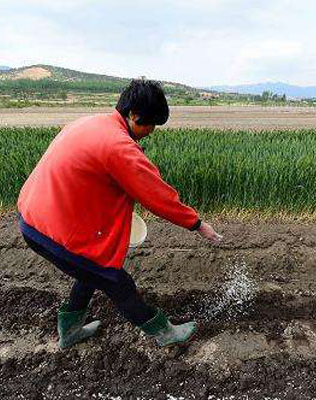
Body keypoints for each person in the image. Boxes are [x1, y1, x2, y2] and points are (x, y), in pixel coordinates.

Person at [17, 79, 222, 350]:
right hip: (53, 231)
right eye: (149, 125)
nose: (150, 131)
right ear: (134, 115)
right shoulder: (119, 147)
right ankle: (165, 333)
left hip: (32, 218)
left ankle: (70, 330)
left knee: (90, 270)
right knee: (116, 281)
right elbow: (157, 195)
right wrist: (196, 224)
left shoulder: (89, 123)